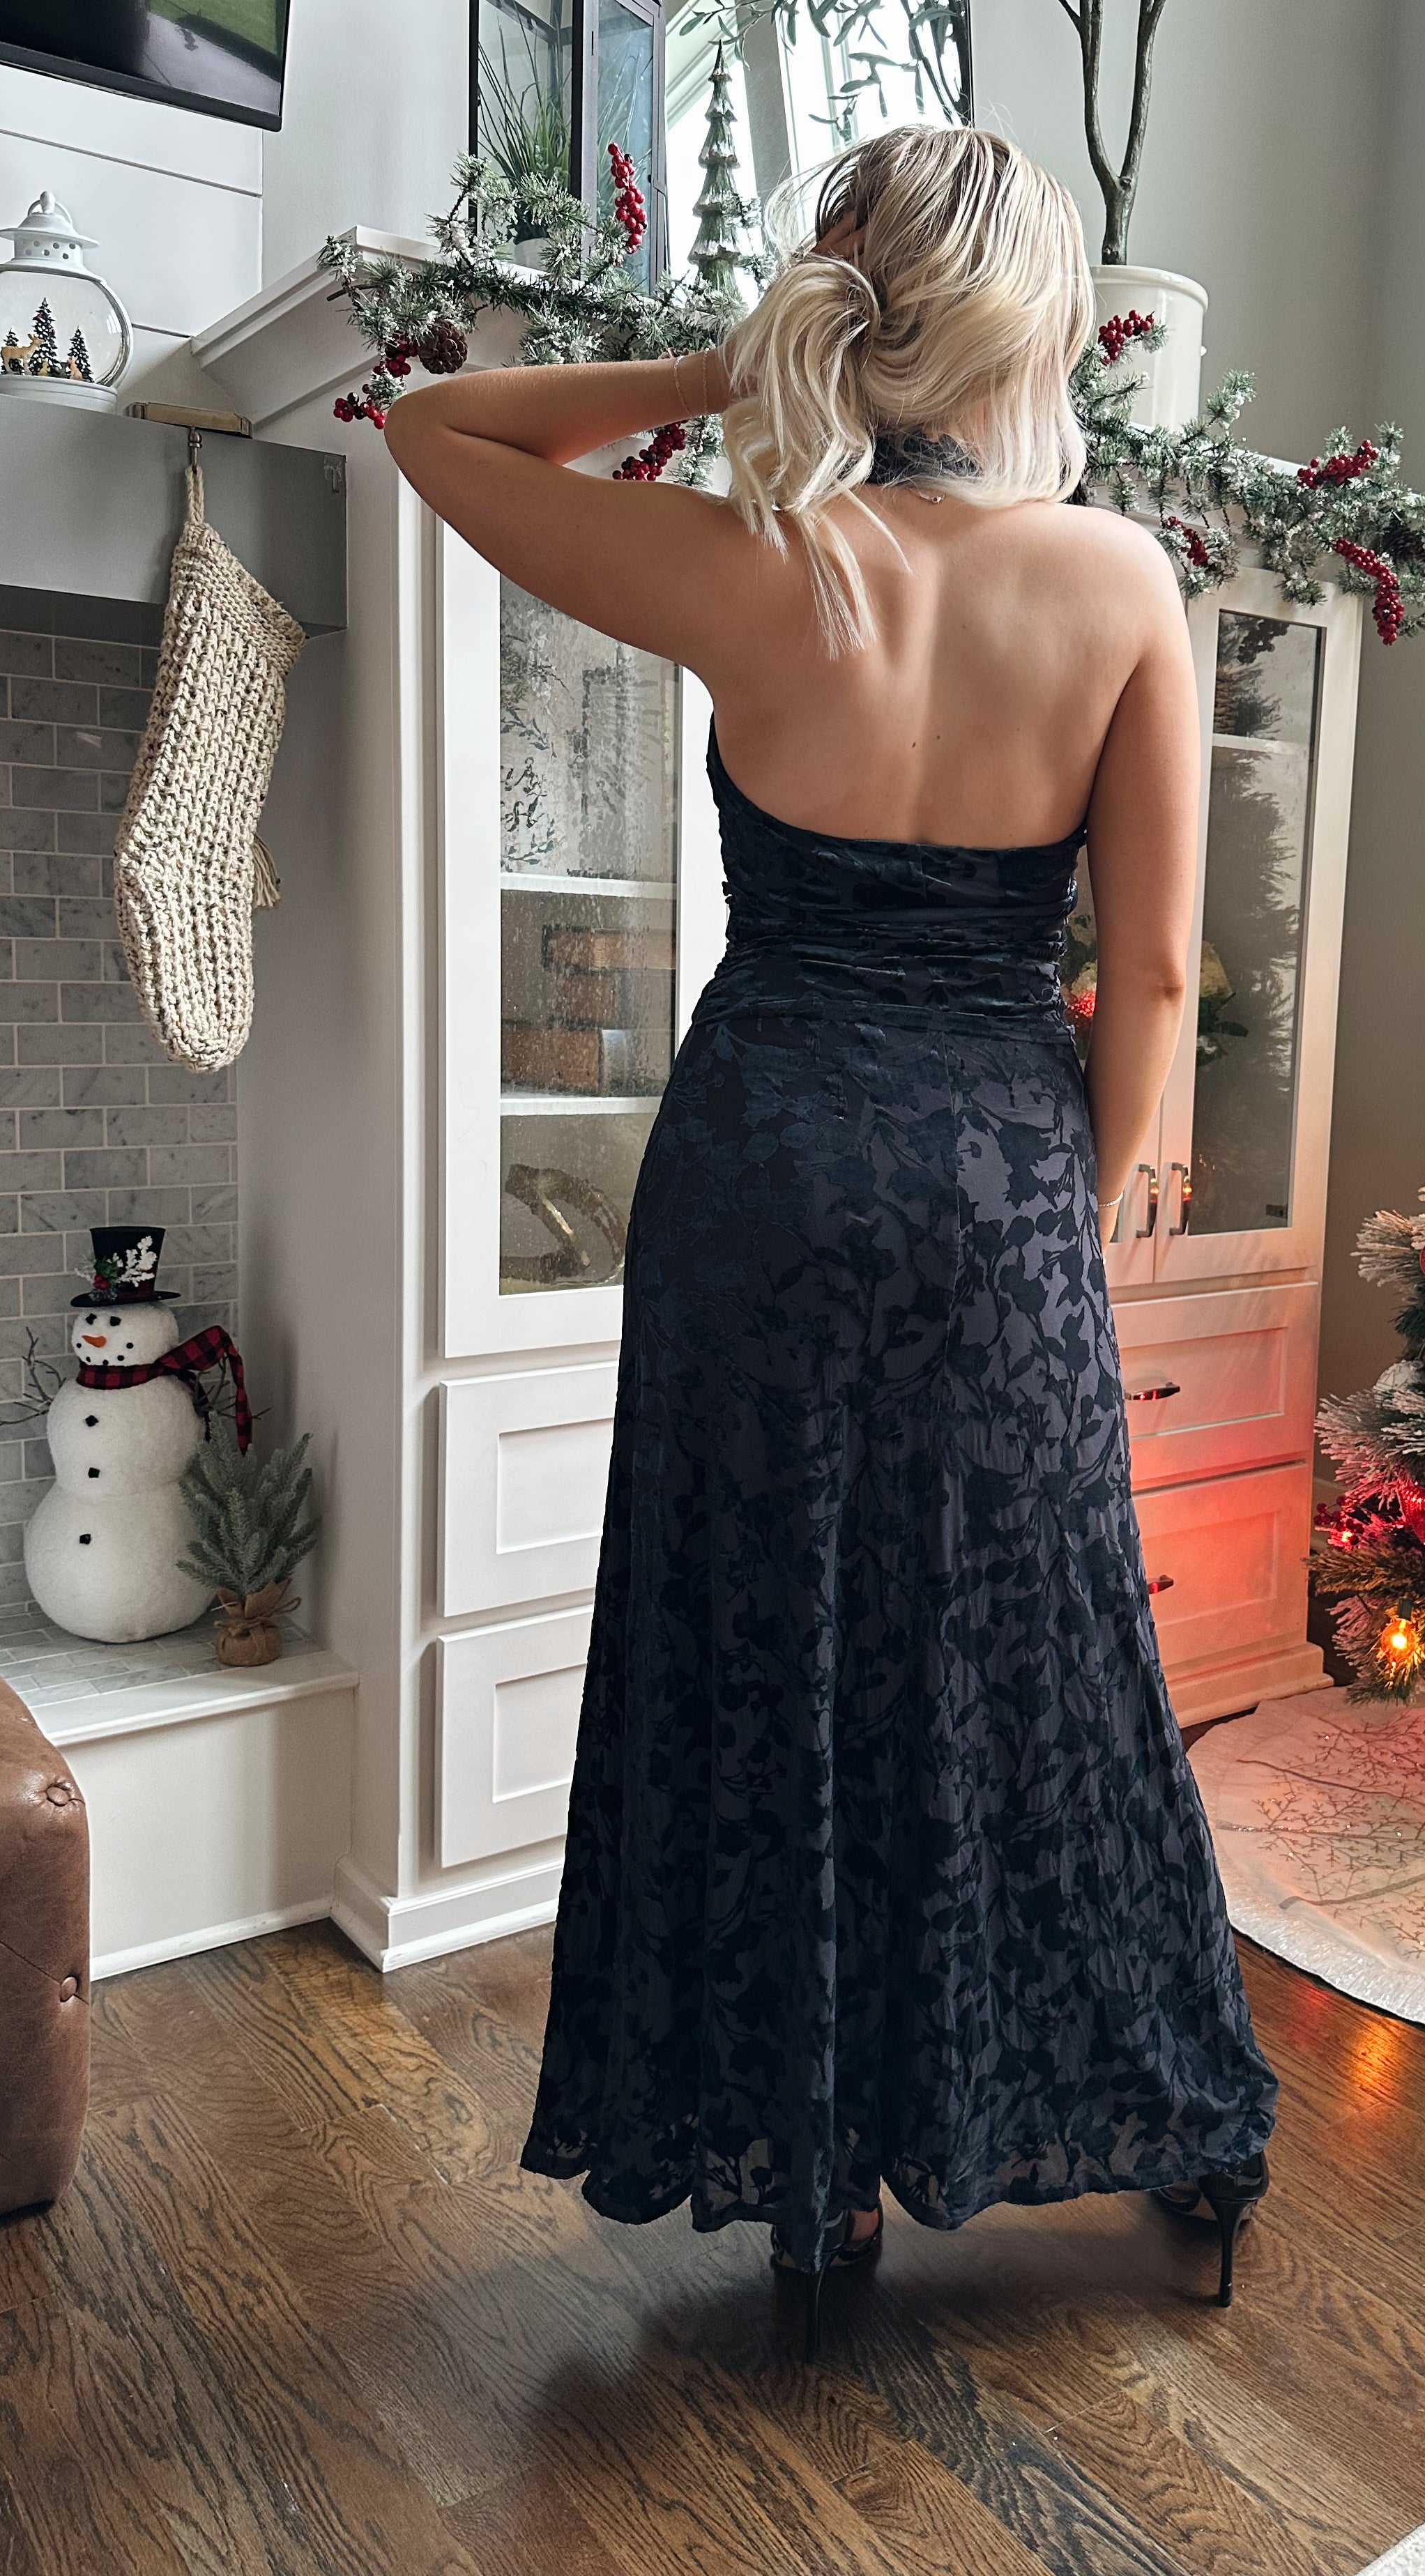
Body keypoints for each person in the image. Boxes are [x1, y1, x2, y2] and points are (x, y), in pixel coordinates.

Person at [385, 124, 1277, 2355]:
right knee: (1044, 1660)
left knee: (766, 1639)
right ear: (1039, 325)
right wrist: (1091, 1200)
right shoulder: (1120, 583)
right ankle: (1172, 2113)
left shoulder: (758, 558)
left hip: (761, 1168)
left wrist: (738, 363)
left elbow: (433, 429)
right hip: (992, 1177)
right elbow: (1155, 975)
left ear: (854, 309)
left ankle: (820, 2176)